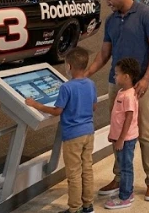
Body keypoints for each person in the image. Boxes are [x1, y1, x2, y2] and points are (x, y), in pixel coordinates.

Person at [87, 0, 149, 201]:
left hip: (141, 85)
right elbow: (104, 53)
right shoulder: (111, 20)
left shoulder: (146, 14)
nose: (107, 2)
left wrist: (146, 78)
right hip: (116, 84)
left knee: (145, 132)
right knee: (118, 131)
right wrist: (86, 73)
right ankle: (119, 177)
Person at [26, 48, 97, 213]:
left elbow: (57, 111)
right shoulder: (91, 84)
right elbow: (93, 106)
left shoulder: (67, 87)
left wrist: (36, 105)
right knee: (87, 169)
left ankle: (75, 208)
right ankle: (88, 205)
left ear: (69, 66)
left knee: (73, 173)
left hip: (73, 135)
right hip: (89, 132)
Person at [104, 59, 141, 210]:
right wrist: (113, 134)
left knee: (126, 167)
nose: (114, 76)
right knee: (123, 165)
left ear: (126, 76)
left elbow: (129, 119)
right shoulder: (121, 92)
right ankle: (126, 191)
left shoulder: (129, 96)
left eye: (117, 74)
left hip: (126, 139)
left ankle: (125, 197)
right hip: (120, 138)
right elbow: (117, 117)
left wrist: (120, 139)